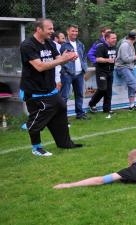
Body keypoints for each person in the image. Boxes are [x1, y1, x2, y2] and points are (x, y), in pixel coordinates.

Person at [19, 19, 83, 156]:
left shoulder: (49, 42)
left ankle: (65, 143)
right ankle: (36, 148)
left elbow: (58, 58)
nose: (52, 31)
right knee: (38, 118)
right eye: (49, 29)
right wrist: (62, 59)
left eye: (52, 28)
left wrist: (68, 57)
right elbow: (40, 66)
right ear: (39, 29)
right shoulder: (27, 45)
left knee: (61, 107)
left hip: (49, 88)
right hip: (33, 90)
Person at [59, 24, 89, 120]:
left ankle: (79, 114)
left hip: (79, 74)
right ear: (67, 31)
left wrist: (84, 68)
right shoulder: (63, 45)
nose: (75, 33)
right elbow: (60, 59)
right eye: (73, 31)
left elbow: (84, 57)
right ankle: (62, 117)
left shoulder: (80, 44)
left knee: (79, 94)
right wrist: (67, 69)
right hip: (67, 74)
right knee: (65, 96)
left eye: (76, 31)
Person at [87, 31, 118, 116]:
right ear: (107, 38)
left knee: (109, 91)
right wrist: (107, 60)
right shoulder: (101, 46)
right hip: (101, 71)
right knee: (102, 89)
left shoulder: (114, 47)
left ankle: (107, 109)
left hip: (110, 71)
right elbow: (97, 59)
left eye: (115, 38)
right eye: (113, 38)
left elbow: (115, 58)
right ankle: (92, 104)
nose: (115, 40)